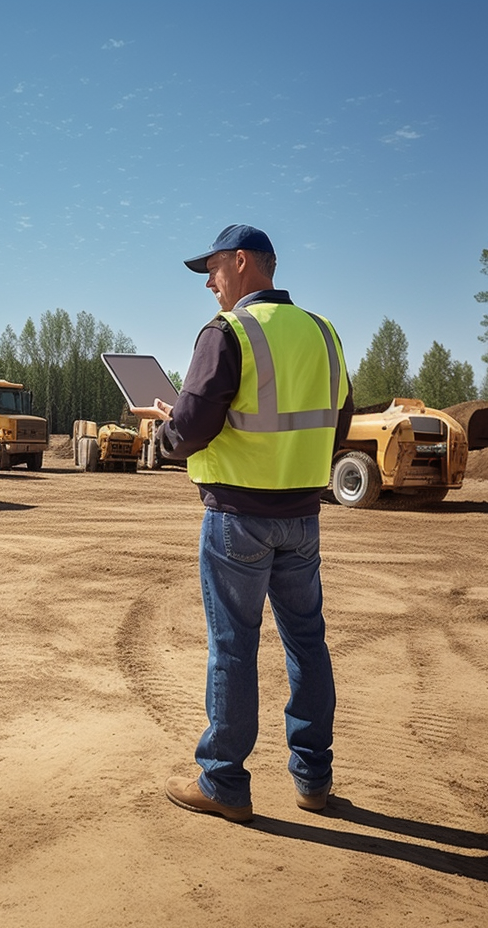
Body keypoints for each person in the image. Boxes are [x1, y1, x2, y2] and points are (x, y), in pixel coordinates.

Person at [133, 224, 353, 823]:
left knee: (234, 645)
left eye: (213, 269)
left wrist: (165, 428)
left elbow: (195, 426)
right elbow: (337, 421)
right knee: (307, 642)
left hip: (237, 518)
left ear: (242, 262)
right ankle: (314, 781)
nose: (209, 283)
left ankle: (224, 784)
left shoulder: (228, 331)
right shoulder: (324, 332)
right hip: (303, 518)